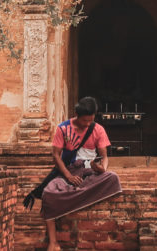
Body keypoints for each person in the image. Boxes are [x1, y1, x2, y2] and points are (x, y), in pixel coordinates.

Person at [41, 96, 122, 251]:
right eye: (84, 121)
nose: (87, 124)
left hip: (91, 173)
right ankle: (53, 242)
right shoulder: (63, 129)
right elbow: (56, 156)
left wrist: (102, 168)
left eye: (90, 121)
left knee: (113, 178)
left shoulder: (98, 129)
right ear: (76, 116)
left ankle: (77, 193)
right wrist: (68, 176)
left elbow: (104, 157)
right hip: (69, 171)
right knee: (48, 193)